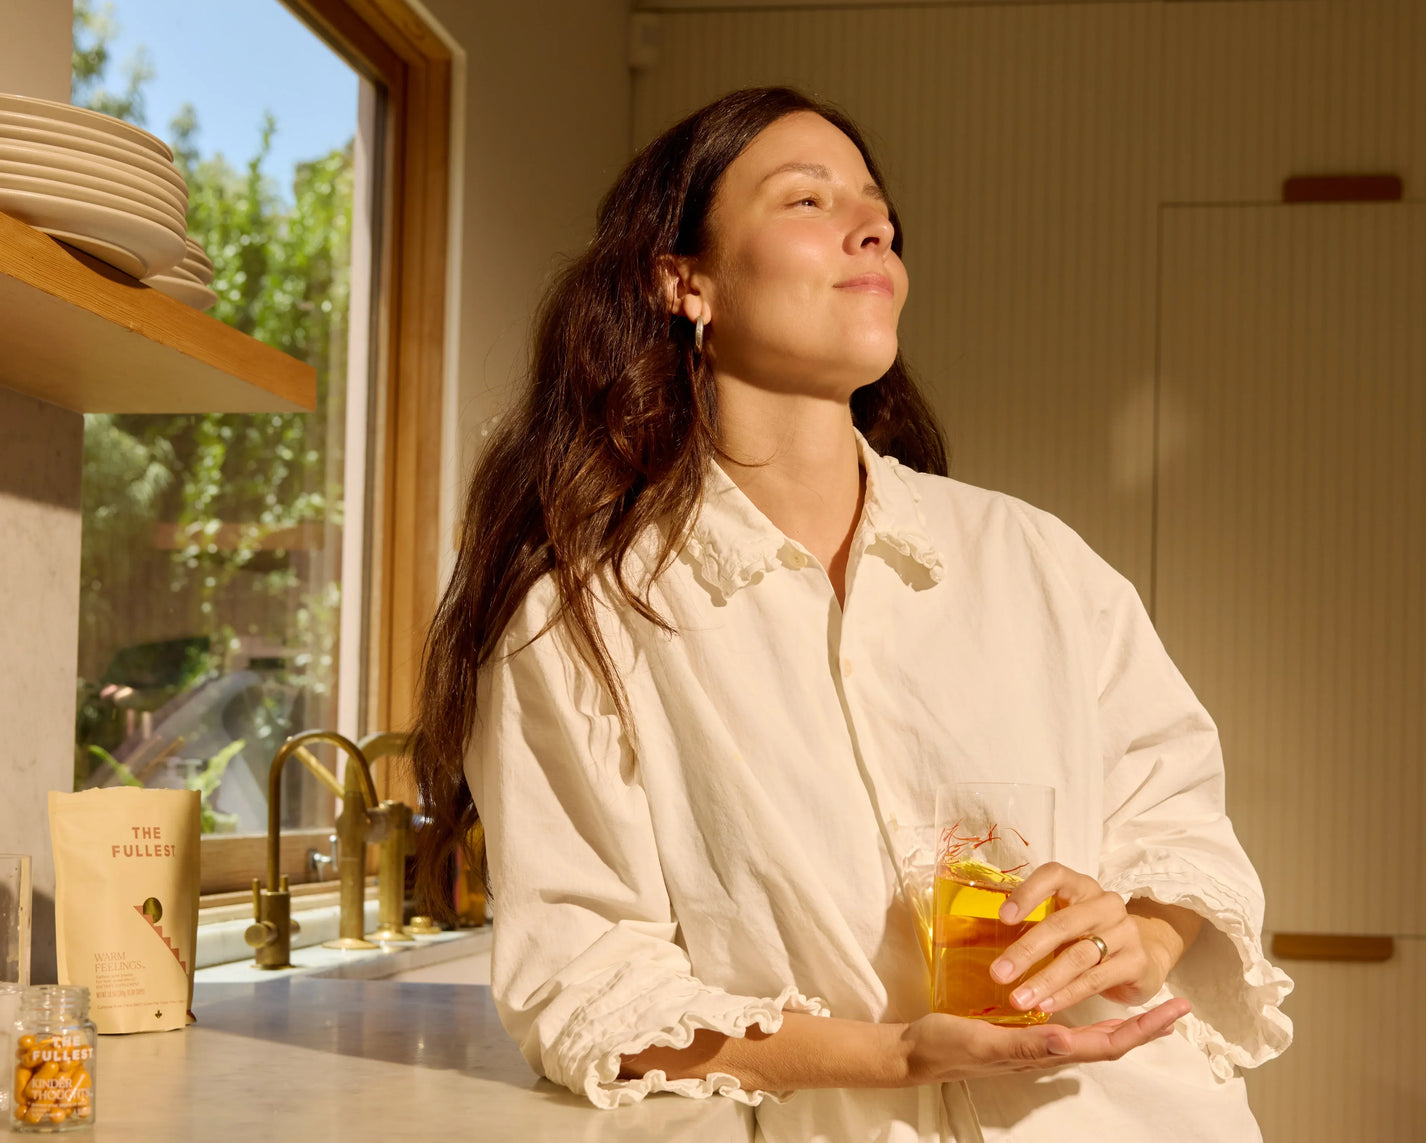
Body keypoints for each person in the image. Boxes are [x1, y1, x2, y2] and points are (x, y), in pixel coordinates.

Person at [409, 86, 1293, 1142]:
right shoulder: (585, 619)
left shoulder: (1034, 561)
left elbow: (1178, 820)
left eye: (875, 209)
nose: (870, 226)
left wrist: (1138, 937)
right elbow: (590, 986)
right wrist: (900, 1055)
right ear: (683, 279)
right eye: (806, 201)